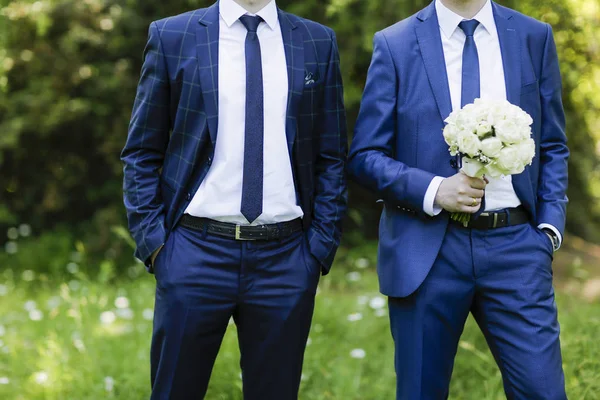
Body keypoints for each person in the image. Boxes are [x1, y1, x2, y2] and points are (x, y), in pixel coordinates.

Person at [121, 0, 347, 398]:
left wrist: (318, 250)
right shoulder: (174, 35)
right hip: (193, 253)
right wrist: (155, 245)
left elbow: (331, 156)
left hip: (287, 260)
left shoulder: (316, 40)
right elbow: (141, 151)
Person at [348, 0, 568, 398]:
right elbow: (365, 157)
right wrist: (434, 190)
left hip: (517, 248)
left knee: (544, 392)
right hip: (426, 249)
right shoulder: (395, 43)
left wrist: (549, 230)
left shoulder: (533, 37)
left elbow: (552, 143)